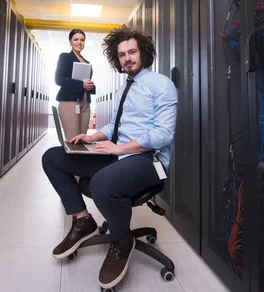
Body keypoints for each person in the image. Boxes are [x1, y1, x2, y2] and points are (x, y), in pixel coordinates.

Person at [42, 25, 178, 289]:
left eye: (132, 52)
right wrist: (91, 138)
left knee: (101, 183)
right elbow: (113, 126)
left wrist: (120, 149)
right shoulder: (122, 90)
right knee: (53, 157)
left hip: (148, 160)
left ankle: (121, 240)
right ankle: (82, 220)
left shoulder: (161, 85)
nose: (127, 58)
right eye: (122, 54)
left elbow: (163, 135)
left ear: (143, 53)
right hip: (119, 154)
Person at [54, 28, 96, 140]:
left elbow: (86, 82)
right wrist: (81, 84)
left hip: (85, 103)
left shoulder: (87, 62)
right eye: (76, 39)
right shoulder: (65, 57)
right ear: (70, 42)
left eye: (82, 40)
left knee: (82, 139)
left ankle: (81, 158)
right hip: (69, 102)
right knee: (73, 140)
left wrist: (91, 86)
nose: (79, 42)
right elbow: (58, 79)